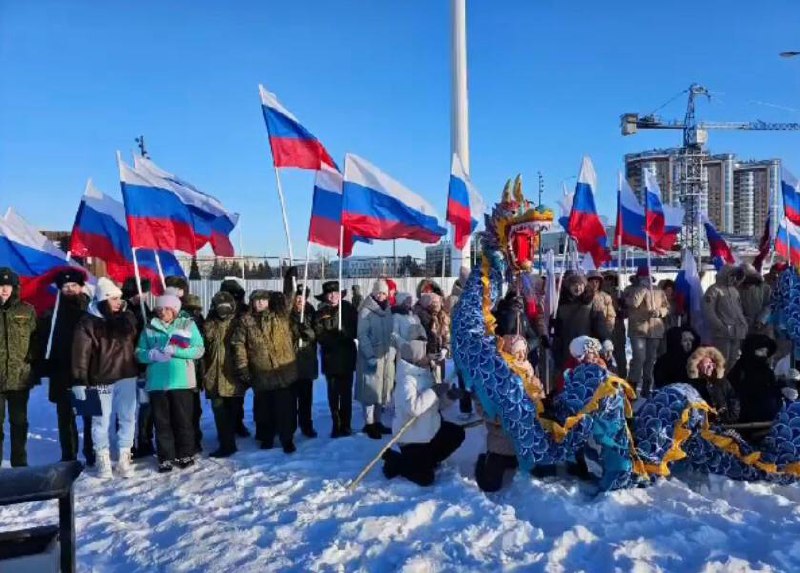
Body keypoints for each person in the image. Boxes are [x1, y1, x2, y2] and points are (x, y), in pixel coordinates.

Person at [72, 278, 140, 478]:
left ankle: (124, 456)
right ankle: (102, 457)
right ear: (103, 300)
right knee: (101, 421)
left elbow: (138, 344)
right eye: (114, 299)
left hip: (127, 376)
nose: (119, 302)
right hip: (101, 379)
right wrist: (79, 380)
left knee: (128, 417)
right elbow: (80, 354)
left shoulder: (127, 318)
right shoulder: (88, 322)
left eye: (120, 298)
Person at [381, 327, 465, 486]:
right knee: (426, 479)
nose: (428, 356)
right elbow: (414, 408)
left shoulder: (425, 372)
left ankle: (426, 460)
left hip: (430, 431)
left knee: (457, 433)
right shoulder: (406, 380)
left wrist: (449, 397)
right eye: (425, 352)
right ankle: (396, 461)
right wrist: (434, 391)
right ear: (416, 355)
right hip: (412, 439)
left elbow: (434, 404)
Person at [136, 290, 205, 472]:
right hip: (157, 384)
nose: (163, 312)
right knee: (162, 423)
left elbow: (198, 350)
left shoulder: (187, 325)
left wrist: (177, 352)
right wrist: (150, 355)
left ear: (175, 310)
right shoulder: (149, 328)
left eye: (167, 308)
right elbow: (139, 353)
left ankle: (185, 453)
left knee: (183, 421)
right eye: (160, 308)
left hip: (181, 382)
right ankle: (165, 457)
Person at [475, 335, 546, 492]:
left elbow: (540, 405)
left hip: (524, 440)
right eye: (516, 351)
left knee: (540, 476)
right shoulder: (494, 376)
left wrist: (537, 394)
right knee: (490, 485)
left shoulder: (530, 374)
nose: (521, 355)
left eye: (523, 351)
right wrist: (499, 417)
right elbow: (481, 405)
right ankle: (486, 460)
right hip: (501, 438)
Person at [231, 289, 298, 453]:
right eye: (256, 300)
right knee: (264, 410)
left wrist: (289, 282)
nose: (260, 303)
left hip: (283, 372)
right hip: (261, 373)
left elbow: (289, 301)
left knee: (285, 409)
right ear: (252, 302)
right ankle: (266, 438)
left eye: (263, 300)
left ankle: (287, 439)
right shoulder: (245, 321)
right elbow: (238, 345)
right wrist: (243, 367)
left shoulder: (279, 315)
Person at [39, 269, 93, 464]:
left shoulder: (91, 309)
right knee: (65, 416)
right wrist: (45, 361)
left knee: (89, 415)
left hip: (87, 372)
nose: (69, 289)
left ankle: (91, 451)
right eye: (65, 287)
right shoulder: (52, 312)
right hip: (61, 371)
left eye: (73, 286)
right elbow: (44, 340)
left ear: (81, 287)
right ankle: (68, 454)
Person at [0, 268, 37, 468]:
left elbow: (36, 340)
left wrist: (30, 363)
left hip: (19, 379)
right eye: (1, 285)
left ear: (15, 287)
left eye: (8, 285)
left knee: (19, 424)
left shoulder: (27, 310)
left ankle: (19, 464)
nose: (4, 289)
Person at [202, 291, 246, 458]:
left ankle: (228, 441)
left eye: (226, 306)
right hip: (214, 375)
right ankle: (226, 444)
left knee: (232, 410)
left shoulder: (239, 323)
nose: (223, 310)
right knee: (219, 412)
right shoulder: (210, 324)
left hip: (233, 375)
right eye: (219, 306)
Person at [313, 281, 358, 438]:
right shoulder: (320, 312)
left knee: (346, 394)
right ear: (325, 296)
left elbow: (356, 328)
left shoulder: (348, 309)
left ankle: (346, 424)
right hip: (330, 358)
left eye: (335, 292)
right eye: (329, 293)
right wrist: (332, 338)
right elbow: (318, 333)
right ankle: (336, 424)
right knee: (333, 394)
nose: (333, 296)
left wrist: (345, 333)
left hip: (346, 357)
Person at [356, 279, 396, 440]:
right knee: (370, 392)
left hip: (385, 357)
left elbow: (391, 332)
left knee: (381, 391)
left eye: (384, 293)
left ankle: (378, 422)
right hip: (371, 357)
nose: (381, 295)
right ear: (373, 293)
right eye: (378, 292)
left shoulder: (387, 311)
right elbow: (362, 335)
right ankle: (369, 424)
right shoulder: (366, 311)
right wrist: (369, 355)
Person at [122, 277, 156, 459]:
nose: (142, 296)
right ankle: (125, 444)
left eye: (144, 293)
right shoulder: (124, 311)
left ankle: (144, 440)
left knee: (145, 404)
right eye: (138, 293)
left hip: (143, 367)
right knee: (126, 407)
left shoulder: (146, 311)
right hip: (125, 367)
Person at [728, 334, 796, 425]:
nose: (764, 355)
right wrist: (777, 391)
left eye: (765, 352)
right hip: (747, 420)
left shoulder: (767, 371)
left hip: (771, 420)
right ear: (751, 351)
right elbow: (747, 391)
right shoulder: (740, 370)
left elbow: (772, 386)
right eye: (760, 351)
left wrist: (784, 387)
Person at [552, 274, 611, 373]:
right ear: (568, 286)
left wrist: (606, 340)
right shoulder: (560, 303)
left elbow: (600, 324)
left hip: (587, 348)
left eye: (580, 285)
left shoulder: (591, 302)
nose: (578, 287)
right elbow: (558, 331)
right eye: (574, 285)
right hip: (567, 347)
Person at [625, 267, 669, 397]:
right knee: (639, 358)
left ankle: (646, 388)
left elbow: (666, 307)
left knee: (650, 360)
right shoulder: (630, 290)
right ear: (638, 278)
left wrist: (660, 312)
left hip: (654, 330)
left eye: (647, 278)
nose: (646, 280)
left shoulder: (658, 291)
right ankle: (632, 386)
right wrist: (642, 289)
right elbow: (633, 303)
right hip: (638, 330)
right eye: (643, 278)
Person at [218, 277, 250, 438]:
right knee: (223, 396)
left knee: (238, 394)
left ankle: (238, 422)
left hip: (239, 355)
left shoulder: (244, 311)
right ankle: (227, 426)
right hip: (222, 356)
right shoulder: (217, 310)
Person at [704, 264, 748, 370]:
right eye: (731, 275)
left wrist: (744, 323)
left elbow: (739, 310)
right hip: (723, 333)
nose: (733, 278)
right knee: (722, 359)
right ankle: (718, 383)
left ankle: (728, 383)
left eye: (735, 276)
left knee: (734, 359)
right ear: (725, 275)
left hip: (737, 331)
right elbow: (708, 311)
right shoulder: (714, 290)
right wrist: (720, 326)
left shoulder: (734, 291)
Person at [290, 289, 318, 438]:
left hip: (306, 361)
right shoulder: (288, 314)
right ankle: (290, 427)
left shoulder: (311, 313)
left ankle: (306, 425)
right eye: (298, 297)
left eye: (303, 297)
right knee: (290, 399)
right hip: (290, 362)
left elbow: (316, 334)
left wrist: (305, 330)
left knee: (306, 399)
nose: (300, 300)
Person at [687, 346, 740, 424]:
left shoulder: (723, 383)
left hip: (724, 426)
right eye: (706, 363)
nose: (710, 366)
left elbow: (733, 401)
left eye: (712, 363)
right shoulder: (692, 386)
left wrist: (729, 419)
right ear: (698, 365)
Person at [183, 294, 205, 455]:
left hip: (194, 372)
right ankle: (192, 441)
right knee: (190, 410)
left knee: (193, 410)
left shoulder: (200, 321)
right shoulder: (187, 322)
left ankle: (194, 440)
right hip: (188, 372)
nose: (194, 313)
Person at [602, 271, 628, 379]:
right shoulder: (600, 295)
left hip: (618, 329)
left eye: (611, 279)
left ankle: (622, 379)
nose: (609, 281)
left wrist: (623, 308)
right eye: (607, 279)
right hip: (604, 329)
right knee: (605, 357)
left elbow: (627, 313)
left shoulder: (620, 293)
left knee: (621, 357)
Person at [738, 264, 772, 336]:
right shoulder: (737, 290)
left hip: (763, 326)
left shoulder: (765, 288)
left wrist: (761, 320)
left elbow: (769, 305)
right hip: (743, 327)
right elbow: (736, 307)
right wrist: (743, 320)